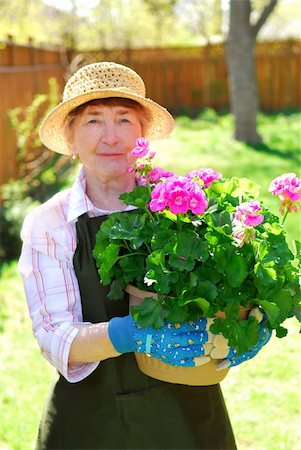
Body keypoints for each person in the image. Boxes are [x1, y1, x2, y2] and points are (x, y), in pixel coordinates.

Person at [19, 61, 271, 450]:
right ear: (69, 139)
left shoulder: (185, 206)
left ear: (141, 135)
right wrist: (133, 334)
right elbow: (53, 338)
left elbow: (236, 283)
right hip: (90, 423)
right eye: (92, 121)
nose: (111, 137)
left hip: (187, 415)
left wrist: (253, 322)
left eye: (124, 120)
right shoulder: (49, 223)